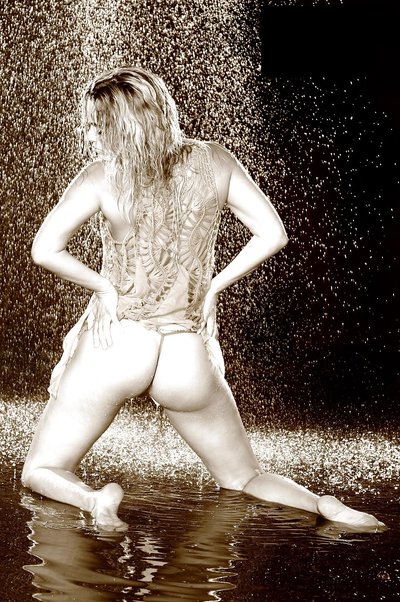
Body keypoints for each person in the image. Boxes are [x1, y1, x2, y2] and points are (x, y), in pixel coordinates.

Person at [22, 66, 384, 532]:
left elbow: (44, 250)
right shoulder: (216, 160)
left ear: (123, 125)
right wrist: (214, 286)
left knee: (42, 468)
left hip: (119, 341)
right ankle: (325, 505)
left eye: (96, 125)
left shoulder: (101, 177)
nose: (88, 136)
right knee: (244, 477)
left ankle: (94, 501)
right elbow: (273, 234)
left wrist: (104, 287)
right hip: (185, 352)